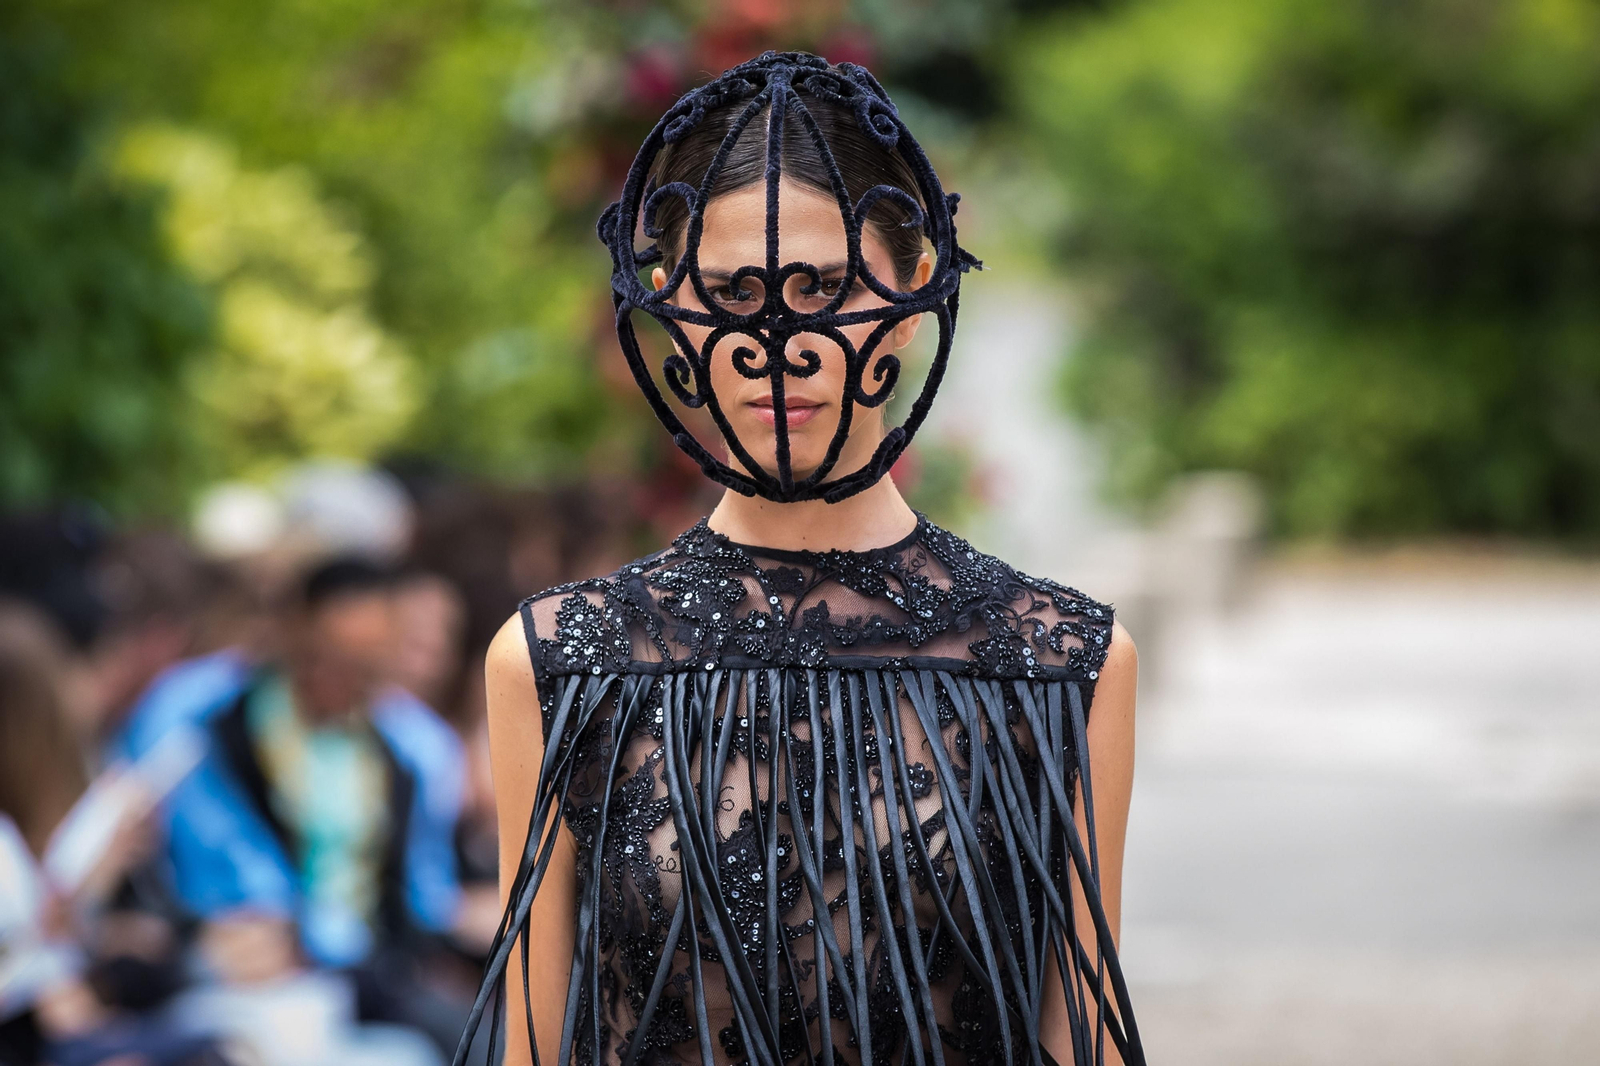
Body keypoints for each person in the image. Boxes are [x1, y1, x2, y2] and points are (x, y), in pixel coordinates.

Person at [465, 51, 1144, 1066]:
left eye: (825, 287)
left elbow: (1080, 1041)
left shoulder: (1061, 664)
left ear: (913, 292)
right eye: (733, 291)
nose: (779, 341)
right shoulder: (561, 663)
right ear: (671, 305)